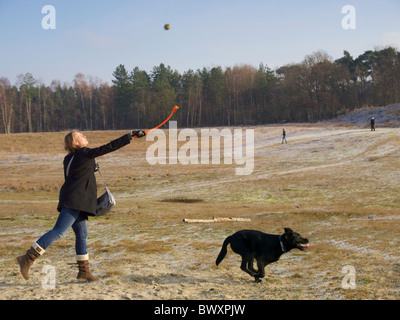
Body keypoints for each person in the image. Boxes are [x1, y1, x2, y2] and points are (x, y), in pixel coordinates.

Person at [16, 129, 146, 282]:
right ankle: (27, 259)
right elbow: (109, 147)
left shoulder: (69, 158)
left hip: (74, 200)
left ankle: (84, 272)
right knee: (58, 231)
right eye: (81, 136)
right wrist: (129, 136)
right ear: (75, 142)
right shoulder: (84, 153)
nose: (85, 136)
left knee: (82, 235)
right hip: (74, 201)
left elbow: (78, 175)